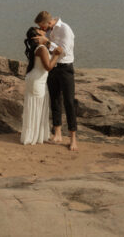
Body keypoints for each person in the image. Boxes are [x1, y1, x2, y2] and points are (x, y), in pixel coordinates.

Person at [35, 10, 77, 150]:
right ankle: (57, 134)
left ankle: (73, 139)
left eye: (43, 26)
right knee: (54, 100)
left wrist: (47, 42)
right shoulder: (49, 30)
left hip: (66, 68)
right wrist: (43, 37)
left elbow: (62, 51)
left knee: (69, 102)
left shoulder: (65, 29)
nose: (42, 29)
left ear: (49, 22)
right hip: (53, 68)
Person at [21, 26, 63, 144]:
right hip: (37, 81)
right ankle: (33, 137)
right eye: (41, 31)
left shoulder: (39, 48)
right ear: (37, 37)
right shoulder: (41, 49)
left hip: (35, 79)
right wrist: (56, 55)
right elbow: (48, 67)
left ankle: (33, 136)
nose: (44, 31)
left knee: (35, 107)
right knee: (37, 108)